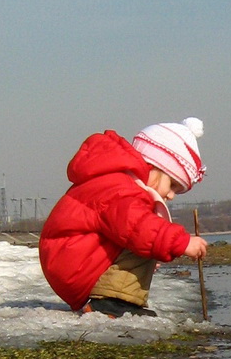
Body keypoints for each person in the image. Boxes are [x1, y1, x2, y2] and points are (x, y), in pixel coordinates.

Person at [39, 117, 209, 317]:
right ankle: (112, 303)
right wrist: (182, 242)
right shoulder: (120, 189)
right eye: (172, 185)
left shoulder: (117, 181)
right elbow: (139, 226)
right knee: (144, 236)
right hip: (73, 263)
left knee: (146, 238)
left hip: (71, 259)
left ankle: (114, 300)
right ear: (154, 167)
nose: (170, 195)